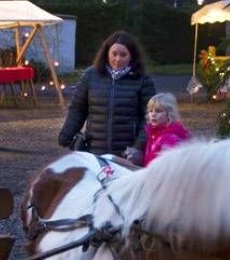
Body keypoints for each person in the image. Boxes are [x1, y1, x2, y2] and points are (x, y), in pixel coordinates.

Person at [57, 31, 156, 163]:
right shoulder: (90, 75)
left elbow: (150, 117)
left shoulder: (142, 79)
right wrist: (66, 135)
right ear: (107, 53)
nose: (118, 59)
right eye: (114, 54)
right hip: (94, 151)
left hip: (127, 154)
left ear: (131, 56)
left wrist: (138, 147)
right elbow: (78, 108)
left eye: (123, 55)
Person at [143, 92, 191, 166]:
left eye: (158, 111)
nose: (153, 114)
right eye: (151, 111)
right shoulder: (154, 134)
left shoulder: (170, 139)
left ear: (169, 113)